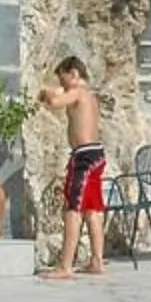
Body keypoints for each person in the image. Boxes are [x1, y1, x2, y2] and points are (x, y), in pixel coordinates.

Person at [37, 56, 106, 279]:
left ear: (74, 73)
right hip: (96, 154)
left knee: (72, 210)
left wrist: (46, 93)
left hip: (84, 157)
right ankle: (97, 261)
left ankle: (65, 267)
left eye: (64, 79)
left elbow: (55, 103)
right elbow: (60, 96)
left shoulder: (77, 92)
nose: (63, 85)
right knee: (91, 209)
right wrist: (54, 90)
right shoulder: (90, 96)